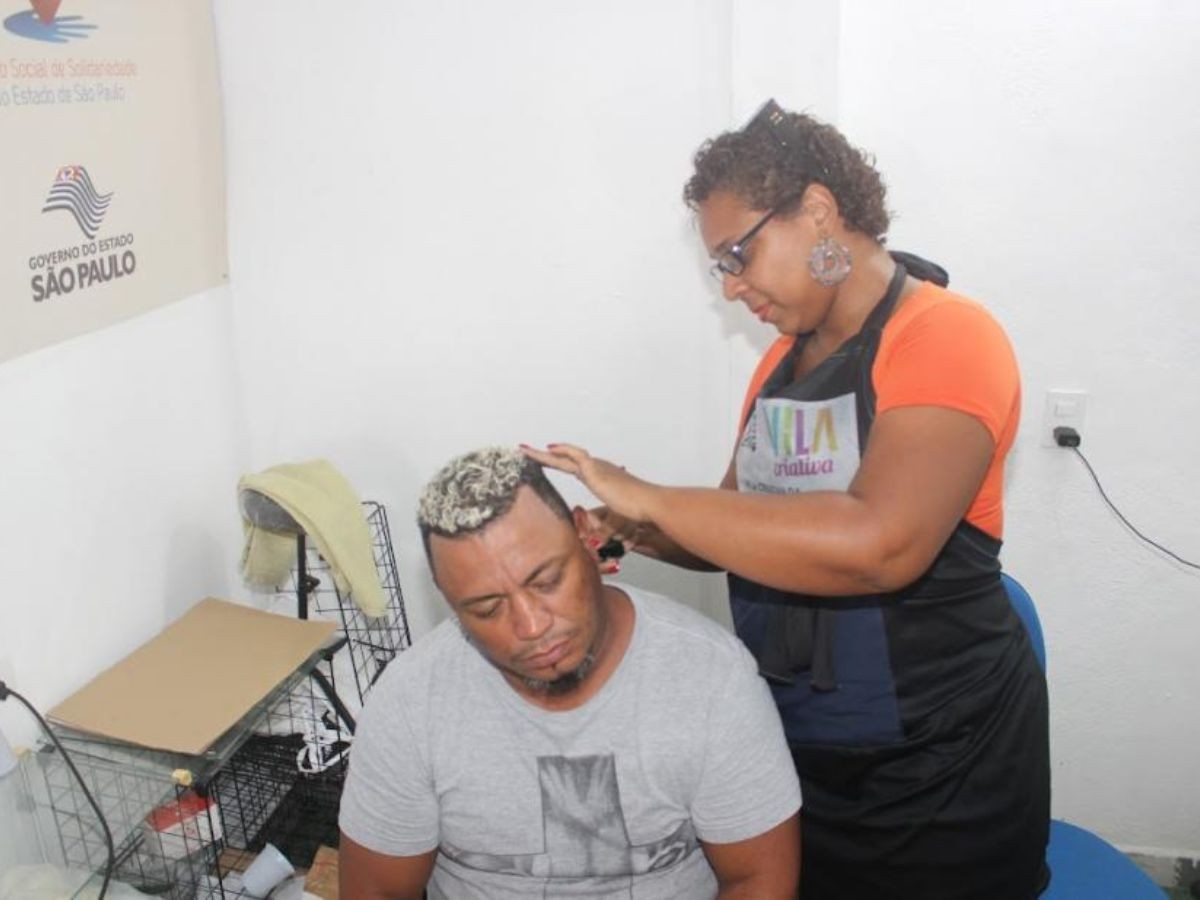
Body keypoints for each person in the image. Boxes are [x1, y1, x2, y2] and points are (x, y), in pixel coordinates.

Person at [524, 100, 1050, 899]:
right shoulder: (780, 366)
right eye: (720, 268)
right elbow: (734, 529)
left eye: (739, 254)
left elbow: (881, 544)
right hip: (801, 751)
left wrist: (652, 496)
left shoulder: (945, 336)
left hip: (943, 766)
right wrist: (624, 526)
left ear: (818, 211)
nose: (733, 287)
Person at [338, 446, 802, 899]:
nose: (531, 626)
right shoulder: (410, 701)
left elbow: (758, 880)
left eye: (547, 581)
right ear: (447, 597)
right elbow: (376, 891)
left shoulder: (711, 677)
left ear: (584, 535)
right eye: (486, 608)